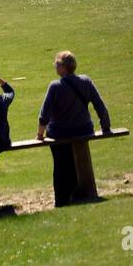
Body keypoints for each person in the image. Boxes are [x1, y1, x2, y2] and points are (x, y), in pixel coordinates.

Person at [37, 52, 111, 207]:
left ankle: (62, 200)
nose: (55, 66)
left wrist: (40, 134)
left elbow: (44, 114)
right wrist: (106, 127)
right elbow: (100, 105)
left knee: (60, 164)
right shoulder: (86, 81)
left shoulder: (55, 86)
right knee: (76, 161)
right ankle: (78, 193)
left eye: (56, 64)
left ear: (63, 68)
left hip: (59, 133)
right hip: (83, 130)